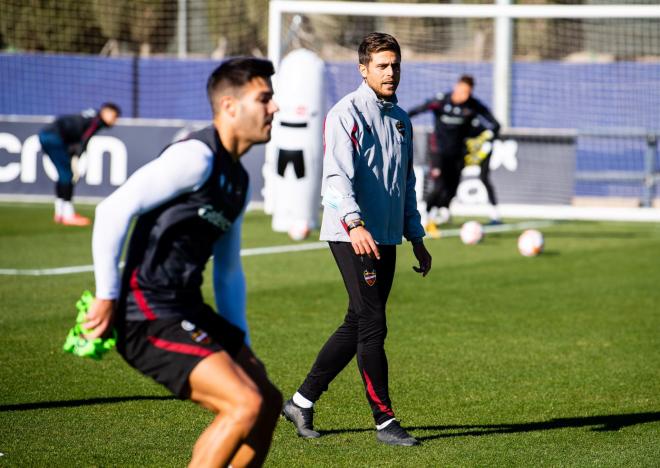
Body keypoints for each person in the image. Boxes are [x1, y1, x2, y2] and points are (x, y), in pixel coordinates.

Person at [82, 58, 282, 467]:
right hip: (146, 314)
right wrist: (106, 295)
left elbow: (228, 269)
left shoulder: (239, 181)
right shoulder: (196, 157)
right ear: (229, 107)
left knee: (268, 401)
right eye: (264, 99)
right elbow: (113, 210)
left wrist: (238, 340)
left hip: (187, 308)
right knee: (243, 404)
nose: (274, 108)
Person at [281, 32, 432, 447]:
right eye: (382, 65)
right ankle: (385, 421)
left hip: (386, 237)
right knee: (373, 326)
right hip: (352, 235)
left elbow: (406, 183)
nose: (390, 72)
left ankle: (301, 400)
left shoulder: (401, 119)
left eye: (395, 64)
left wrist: (415, 236)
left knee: (358, 322)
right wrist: (354, 223)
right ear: (363, 69)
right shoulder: (345, 113)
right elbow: (335, 177)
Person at [408, 75, 501, 230]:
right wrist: (400, 120)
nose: (465, 95)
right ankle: (424, 214)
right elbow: (418, 110)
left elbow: (495, 124)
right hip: (438, 151)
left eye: (468, 92)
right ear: (456, 87)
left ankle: (442, 211)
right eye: (463, 90)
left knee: (452, 186)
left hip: (458, 154)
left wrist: (490, 138)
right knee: (439, 184)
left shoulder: (473, 106)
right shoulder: (440, 102)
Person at [38, 103, 121, 225]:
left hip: (47, 135)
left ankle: (60, 213)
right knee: (67, 174)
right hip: (53, 136)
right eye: (114, 117)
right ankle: (68, 215)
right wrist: (77, 155)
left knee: (63, 174)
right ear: (106, 112)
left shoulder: (92, 117)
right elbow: (84, 138)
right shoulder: (95, 121)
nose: (115, 121)